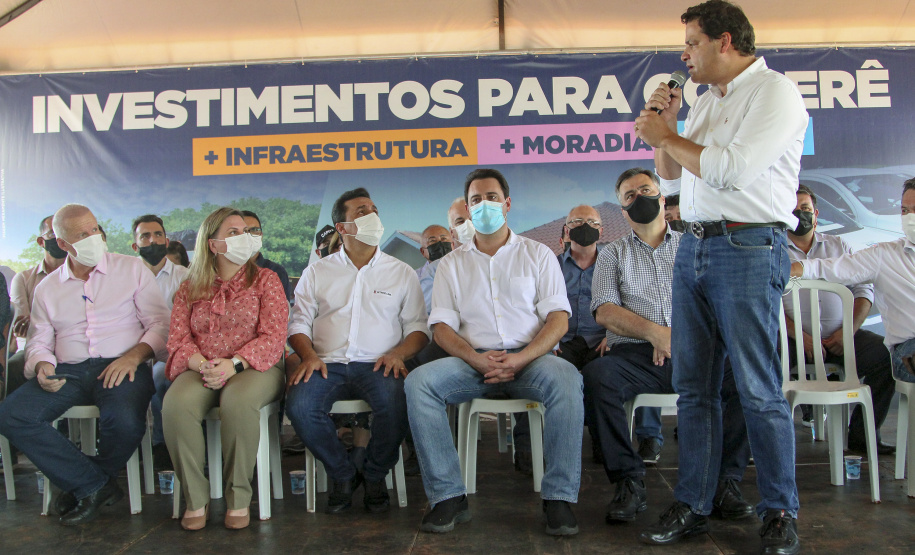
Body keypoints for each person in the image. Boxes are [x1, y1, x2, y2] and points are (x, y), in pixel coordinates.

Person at [634, 2, 808, 552]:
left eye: (692, 42)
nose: (684, 54)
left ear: (725, 41)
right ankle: (693, 502)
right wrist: (667, 126)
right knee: (694, 390)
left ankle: (780, 510)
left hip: (750, 246)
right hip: (697, 248)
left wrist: (669, 133)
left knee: (757, 389)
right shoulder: (707, 101)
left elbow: (730, 170)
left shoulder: (775, 92)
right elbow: (668, 173)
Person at [405, 168, 583, 536]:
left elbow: (558, 320)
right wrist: (476, 358)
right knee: (420, 382)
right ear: (467, 211)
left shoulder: (538, 254)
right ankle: (448, 498)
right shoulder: (451, 265)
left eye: (490, 197)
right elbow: (441, 328)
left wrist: (521, 358)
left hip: (531, 360)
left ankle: (559, 498)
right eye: (475, 200)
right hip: (473, 362)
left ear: (507, 203)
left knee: (567, 378)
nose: (483, 205)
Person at [583, 168, 753, 526]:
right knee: (597, 378)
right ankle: (629, 480)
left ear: (663, 197)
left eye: (646, 190)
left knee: (741, 376)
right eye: (629, 196)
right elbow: (605, 310)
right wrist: (655, 334)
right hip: (636, 355)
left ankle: (725, 482)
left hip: (697, 349)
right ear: (622, 209)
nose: (639, 198)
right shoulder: (612, 253)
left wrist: (678, 336)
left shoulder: (695, 245)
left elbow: (715, 301)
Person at [0, 204, 169, 526]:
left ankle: (82, 483)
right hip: (69, 369)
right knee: (13, 415)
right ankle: (95, 484)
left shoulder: (131, 268)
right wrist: (41, 366)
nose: (94, 238)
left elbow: (161, 324)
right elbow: (38, 340)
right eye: (82, 235)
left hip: (123, 364)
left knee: (124, 422)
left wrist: (133, 356)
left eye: (95, 230)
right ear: (62, 244)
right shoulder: (48, 288)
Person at [285, 188, 428, 515]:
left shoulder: (401, 272)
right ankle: (343, 474)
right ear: (342, 227)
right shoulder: (316, 272)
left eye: (375, 209)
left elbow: (419, 330)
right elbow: (299, 324)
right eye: (362, 210)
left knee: (398, 402)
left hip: (379, 365)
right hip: (325, 364)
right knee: (301, 405)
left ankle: (375, 474)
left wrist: (399, 354)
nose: (373, 215)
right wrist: (308, 356)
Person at [162, 207, 288, 531]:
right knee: (176, 405)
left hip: (254, 367)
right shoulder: (190, 287)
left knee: (237, 402)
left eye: (247, 230)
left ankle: (239, 497)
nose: (245, 237)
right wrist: (205, 365)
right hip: (202, 367)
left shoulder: (266, 280)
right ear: (213, 245)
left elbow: (273, 336)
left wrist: (233, 364)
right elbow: (178, 339)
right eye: (234, 232)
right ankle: (196, 497)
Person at [784, 185, 896, 454]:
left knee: (886, 355)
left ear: (816, 214)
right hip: (789, 339)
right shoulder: (773, 250)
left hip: (841, 337)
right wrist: (802, 337)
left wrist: (848, 332)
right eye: (793, 210)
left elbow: (863, 290)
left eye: (805, 209)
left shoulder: (839, 246)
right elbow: (764, 304)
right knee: (759, 361)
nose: (800, 214)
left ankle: (861, 438)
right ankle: (767, 445)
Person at [791, 178, 915, 387]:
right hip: (909, 350)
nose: (909, 217)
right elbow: (830, 268)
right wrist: (792, 268)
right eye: (904, 210)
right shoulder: (884, 255)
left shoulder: (838, 243)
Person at [130, 214, 190, 469]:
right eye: (145, 236)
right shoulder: (125, 275)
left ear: (166, 241)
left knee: (160, 376)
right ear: (135, 245)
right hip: (131, 351)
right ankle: (127, 449)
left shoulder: (185, 276)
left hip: (171, 353)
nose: (152, 240)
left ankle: (161, 445)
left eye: (157, 235)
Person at [7, 216, 68, 395]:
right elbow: (24, 325)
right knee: (11, 370)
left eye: (63, 233)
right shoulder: (24, 278)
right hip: (32, 349)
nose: (58, 239)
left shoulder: (82, 276)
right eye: (53, 234)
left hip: (71, 349)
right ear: (42, 241)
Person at [240, 210, 293, 302]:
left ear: (261, 235)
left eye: (255, 230)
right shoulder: (223, 270)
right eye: (244, 231)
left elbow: (282, 311)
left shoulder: (275, 272)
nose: (249, 235)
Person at [416, 224, 454, 315]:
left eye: (444, 239)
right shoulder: (414, 277)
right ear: (423, 252)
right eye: (432, 241)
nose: (440, 244)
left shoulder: (464, 270)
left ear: (453, 244)